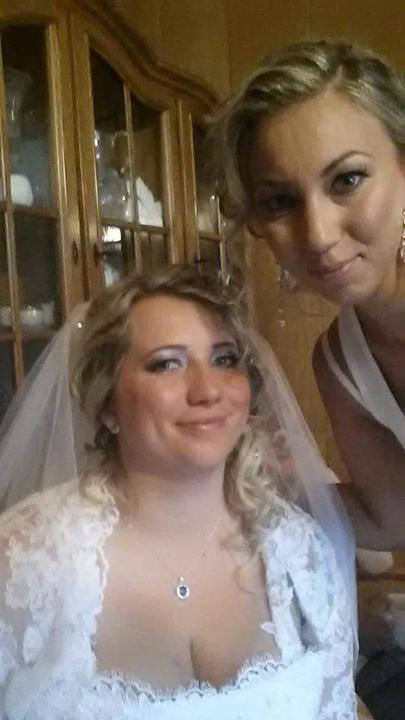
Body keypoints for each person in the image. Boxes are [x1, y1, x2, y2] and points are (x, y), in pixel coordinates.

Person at [0, 265, 356, 719]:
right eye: (167, 363)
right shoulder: (28, 557)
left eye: (224, 360)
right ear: (107, 404)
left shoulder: (298, 552)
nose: (208, 390)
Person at [208, 39, 405, 550]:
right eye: (280, 201)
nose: (317, 234)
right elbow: (392, 520)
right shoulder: (340, 362)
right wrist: (231, 486)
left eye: (347, 180)